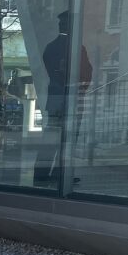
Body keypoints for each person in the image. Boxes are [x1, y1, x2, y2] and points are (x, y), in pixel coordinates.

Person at [36, 11, 91, 185]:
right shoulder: (76, 48)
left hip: (54, 99)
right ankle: (61, 173)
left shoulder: (50, 47)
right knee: (68, 139)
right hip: (71, 99)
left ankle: (41, 172)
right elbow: (85, 74)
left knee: (50, 138)